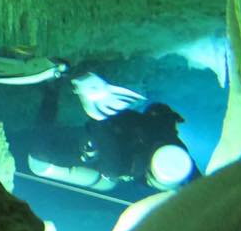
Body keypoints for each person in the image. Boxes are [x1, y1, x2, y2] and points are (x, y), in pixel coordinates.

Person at [26, 72, 199, 192]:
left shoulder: (120, 165)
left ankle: (51, 89)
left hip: (101, 147)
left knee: (40, 151)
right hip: (113, 130)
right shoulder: (167, 138)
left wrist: (96, 110)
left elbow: (105, 140)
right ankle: (53, 90)